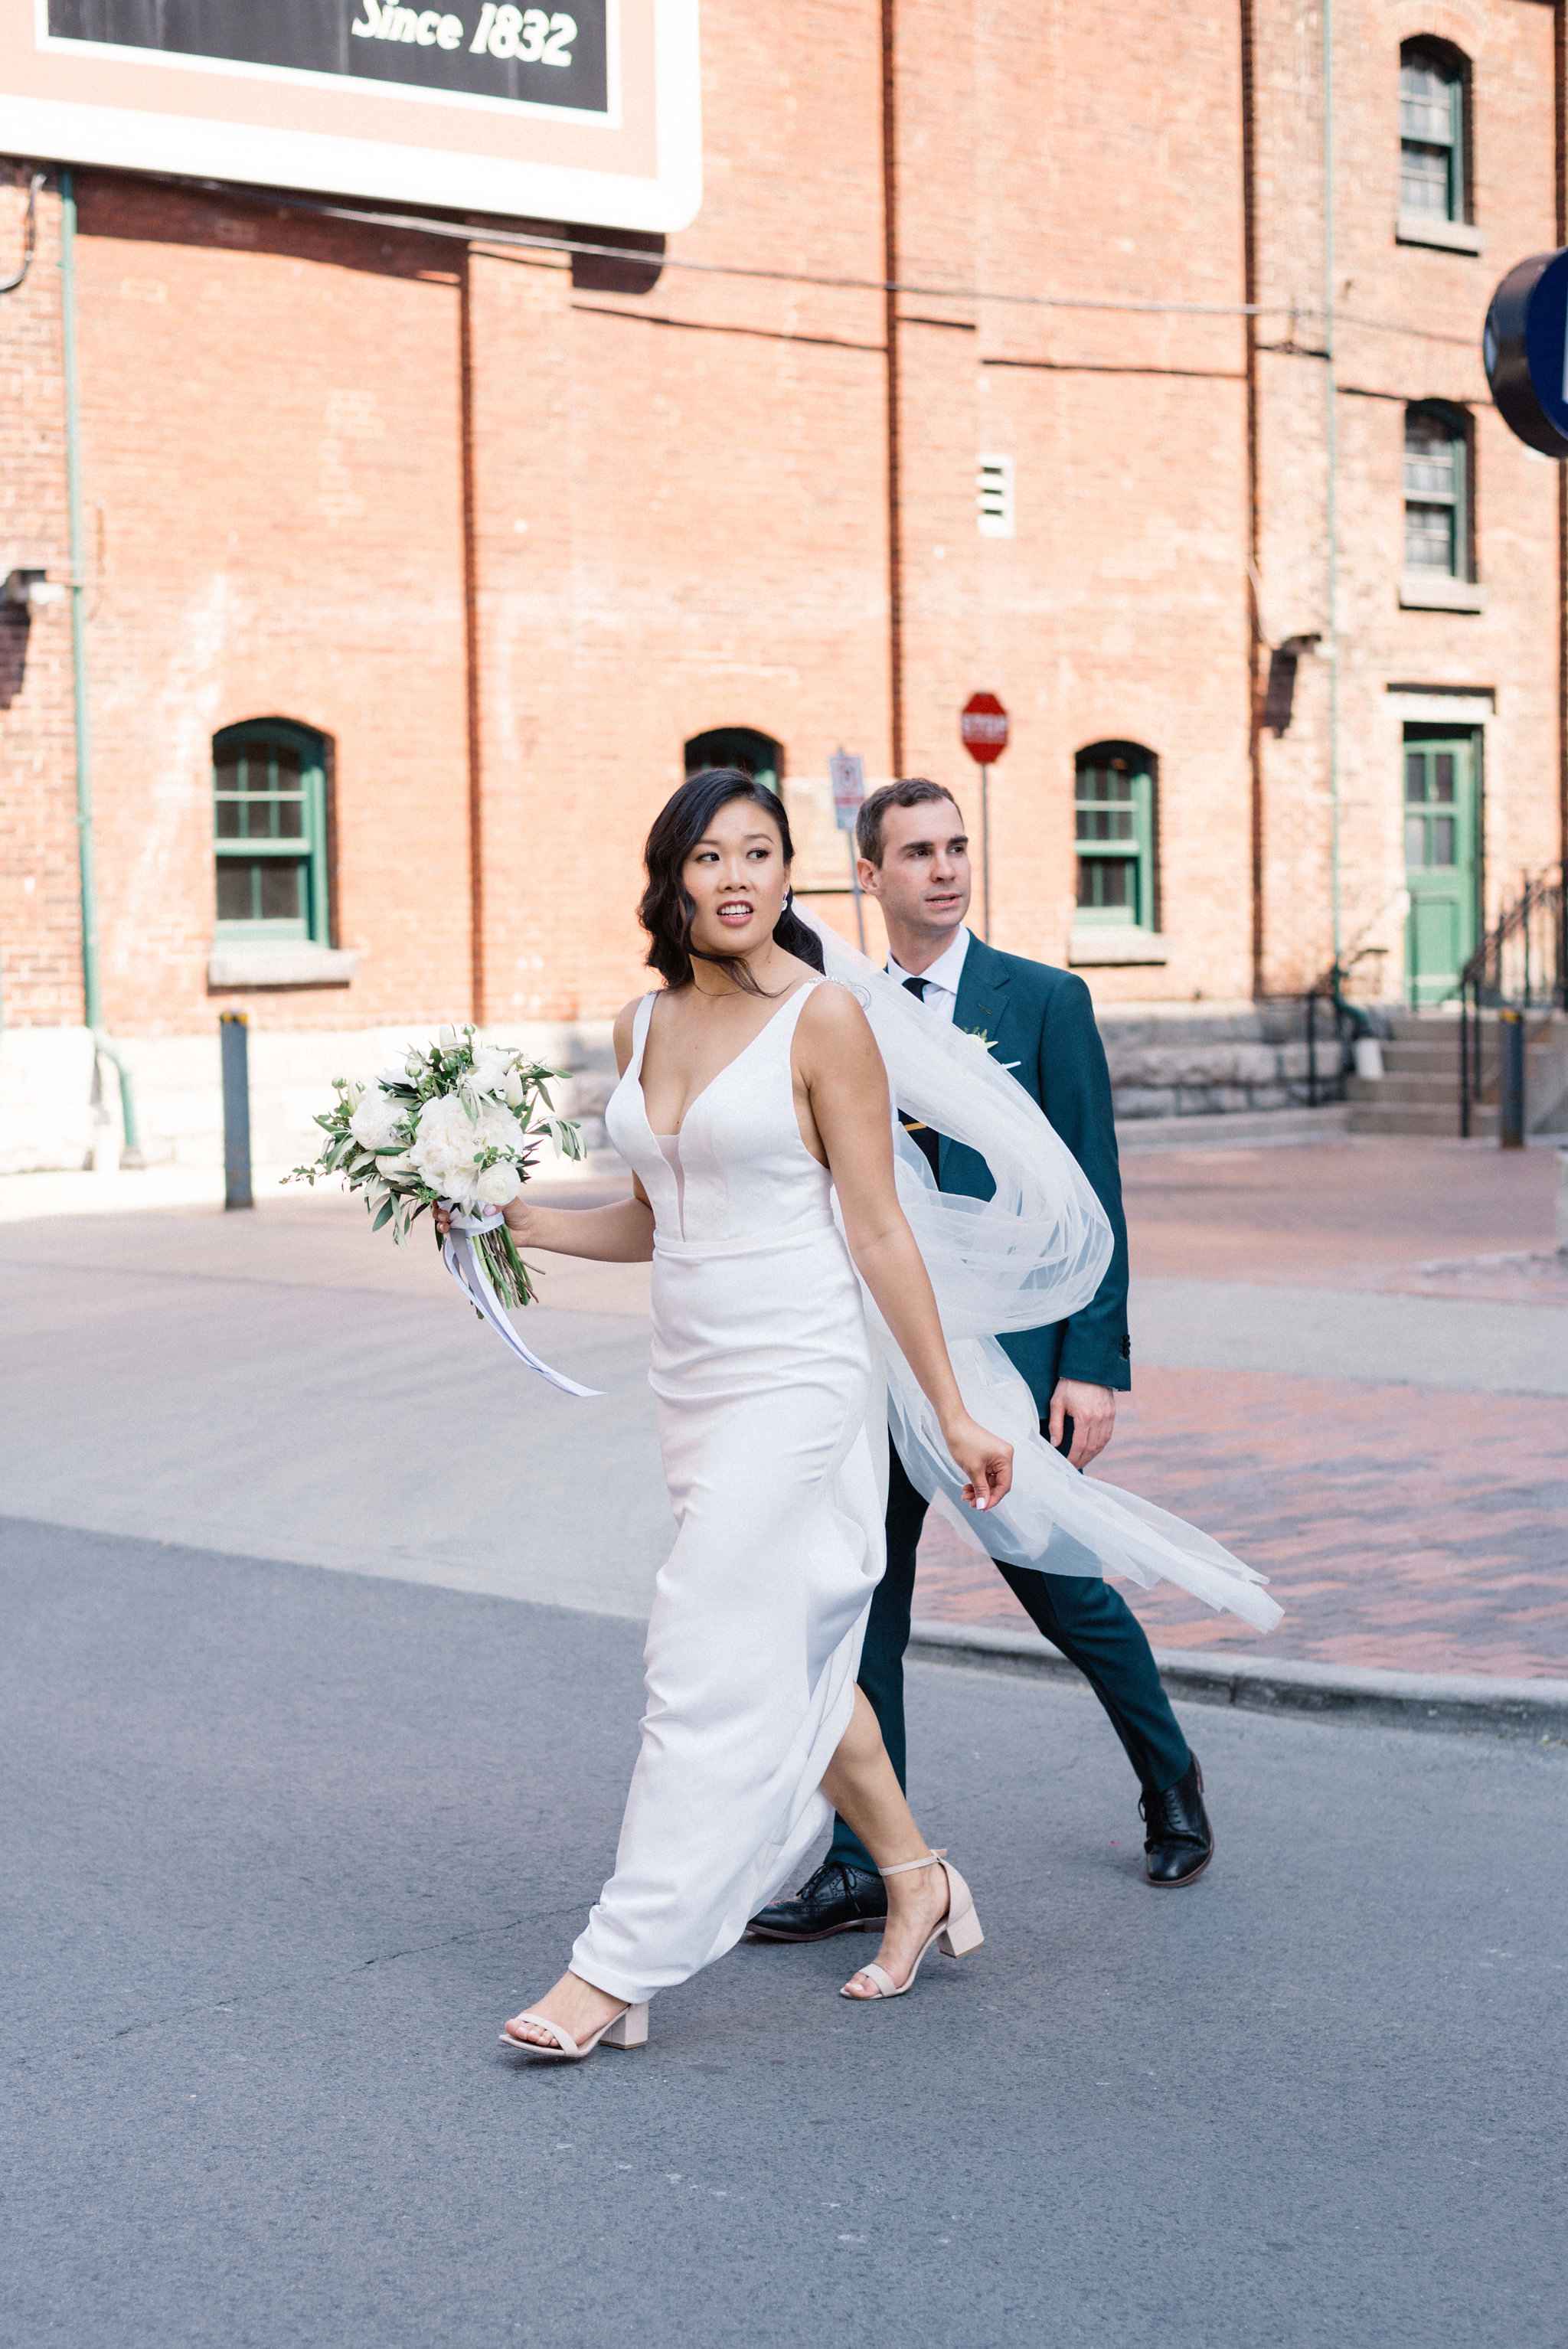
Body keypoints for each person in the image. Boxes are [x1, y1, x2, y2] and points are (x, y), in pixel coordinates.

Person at [440, 768, 1010, 2060]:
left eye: (762, 854)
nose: (739, 877)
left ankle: (617, 1969)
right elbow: (652, 1219)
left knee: (699, 1651)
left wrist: (951, 1406)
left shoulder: (824, 1023)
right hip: (692, 1377)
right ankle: (916, 1876)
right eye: (712, 857)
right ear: (674, 880)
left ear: (788, 878)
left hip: (803, 1375)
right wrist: (502, 1210)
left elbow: (876, 1226)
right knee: (785, 1653)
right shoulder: (645, 1027)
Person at [750, 777, 1215, 1959]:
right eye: (917, 853)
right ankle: (868, 1862)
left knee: (1064, 1591)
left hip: (1004, 1369)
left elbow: (1094, 1191)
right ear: (870, 877)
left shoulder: (1045, 1003)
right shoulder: (827, 1006)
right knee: (869, 1607)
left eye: (958, 848)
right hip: (874, 1355)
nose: (946, 870)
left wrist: (1094, 1366)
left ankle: (1170, 1780)